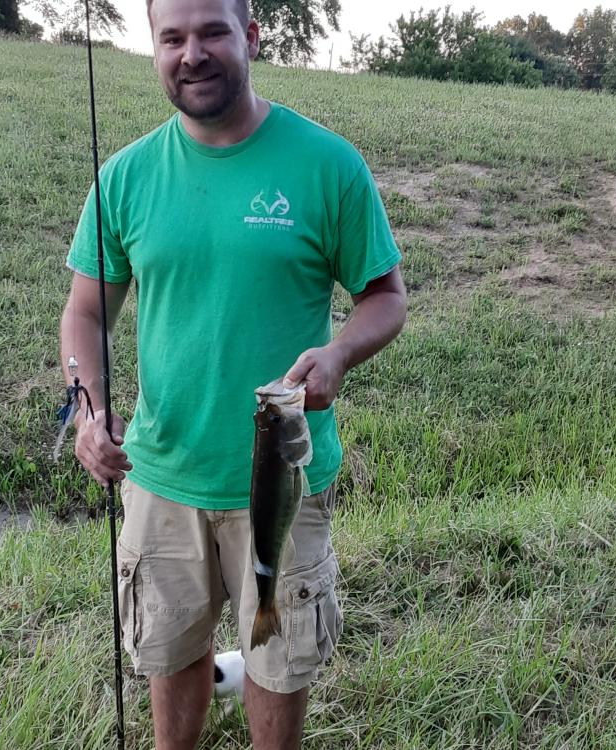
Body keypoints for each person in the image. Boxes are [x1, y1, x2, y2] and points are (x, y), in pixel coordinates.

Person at [59, 0, 407, 747]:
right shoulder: (124, 177)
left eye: (212, 31)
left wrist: (341, 352)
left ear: (250, 36)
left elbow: (385, 298)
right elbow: (84, 313)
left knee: (279, 665)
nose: (193, 53)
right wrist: (89, 411)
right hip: (160, 476)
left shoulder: (327, 165)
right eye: (172, 38)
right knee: (170, 657)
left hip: (284, 480)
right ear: (153, 51)